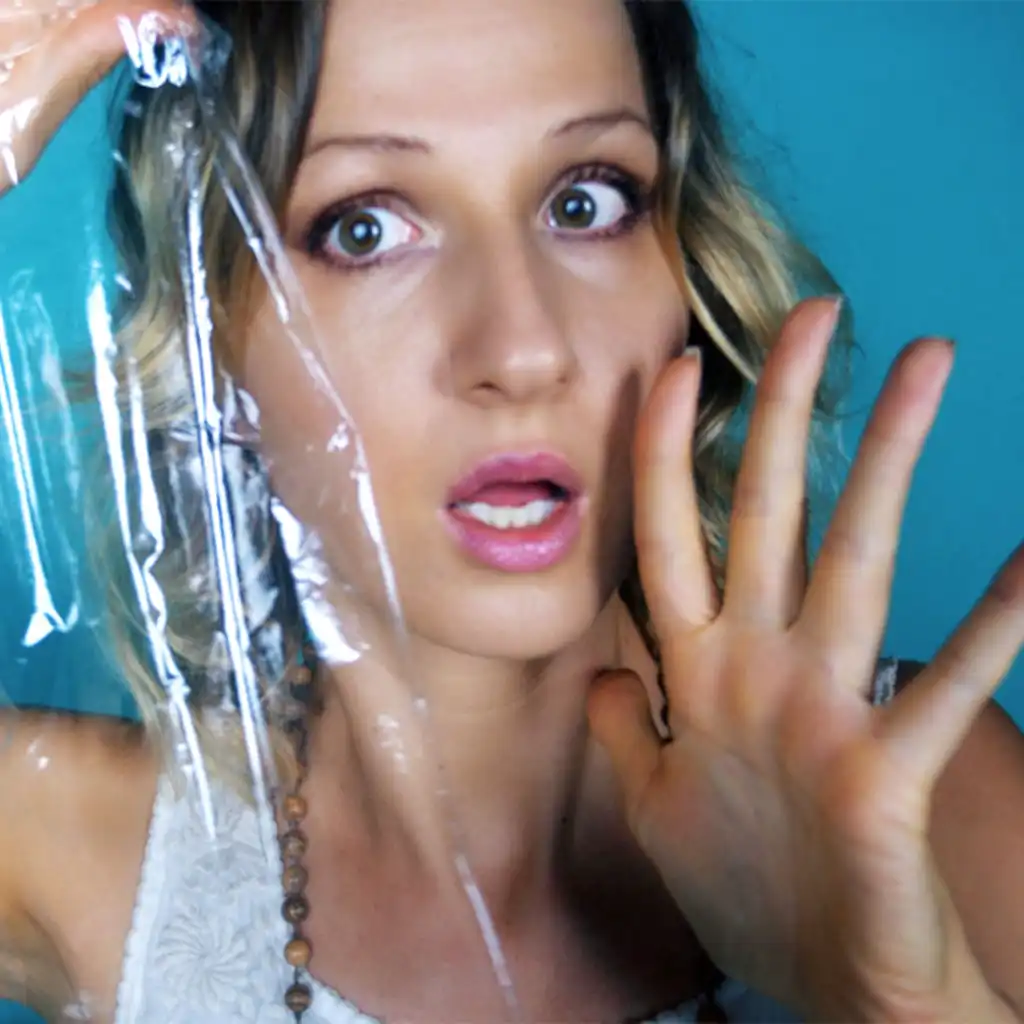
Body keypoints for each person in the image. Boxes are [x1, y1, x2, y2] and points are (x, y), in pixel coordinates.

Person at [1, 1, 1023, 1022]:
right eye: (364, 229)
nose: (525, 349)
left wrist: (904, 999)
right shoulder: (78, 854)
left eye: (585, 203)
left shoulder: (922, 803)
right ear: (207, 337)